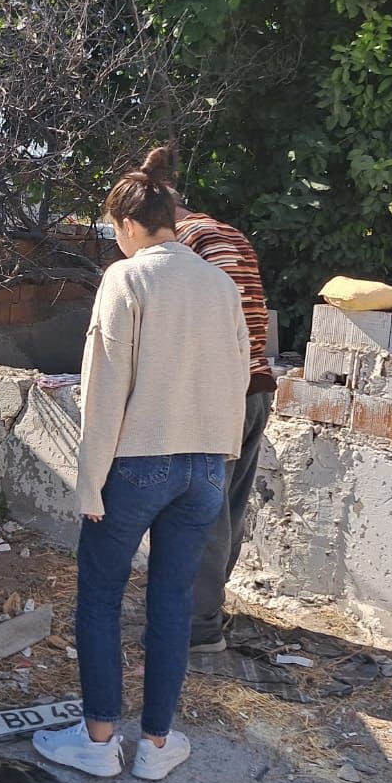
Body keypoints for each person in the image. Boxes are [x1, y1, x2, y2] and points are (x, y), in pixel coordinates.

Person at [32, 146, 251, 782]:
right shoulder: (219, 283)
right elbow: (238, 376)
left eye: (113, 230)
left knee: (100, 598)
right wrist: (223, 454)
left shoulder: (128, 278)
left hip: (138, 465)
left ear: (128, 224)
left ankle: (99, 739)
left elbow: (105, 383)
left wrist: (90, 479)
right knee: (173, 602)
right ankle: (157, 745)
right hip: (207, 466)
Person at [171, 196, 276, 653]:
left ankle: (197, 629)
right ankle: (208, 609)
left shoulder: (188, 241)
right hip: (254, 386)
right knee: (228, 506)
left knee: (201, 509)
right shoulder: (227, 233)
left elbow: (196, 327)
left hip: (221, 392)